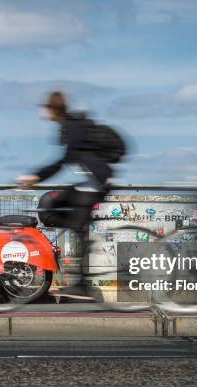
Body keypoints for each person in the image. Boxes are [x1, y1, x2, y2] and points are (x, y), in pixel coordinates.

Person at [17, 91, 124, 299]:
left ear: (53, 109)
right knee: (48, 207)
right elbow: (68, 159)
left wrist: (36, 176)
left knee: (66, 216)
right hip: (92, 181)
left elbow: (64, 160)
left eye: (45, 107)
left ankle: (84, 284)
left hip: (97, 183)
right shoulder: (69, 126)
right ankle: (82, 231)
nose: (42, 112)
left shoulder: (72, 126)